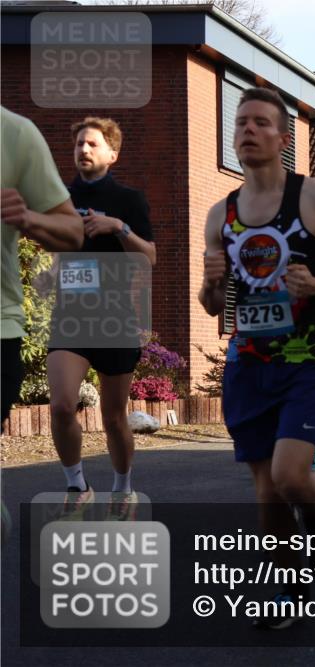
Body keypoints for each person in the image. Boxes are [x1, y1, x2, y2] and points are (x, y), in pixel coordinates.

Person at [199, 87, 315, 629]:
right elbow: (211, 305)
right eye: (240, 122)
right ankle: (291, 592)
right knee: (266, 489)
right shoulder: (219, 215)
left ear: (283, 136)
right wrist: (210, 284)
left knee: (291, 476)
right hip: (248, 362)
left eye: (260, 123)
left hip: (305, 356)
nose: (247, 130)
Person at [44, 117, 156, 521]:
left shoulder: (129, 199)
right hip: (69, 319)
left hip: (114, 321)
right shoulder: (57, 198)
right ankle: (76, 484)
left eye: (91, 144)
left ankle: (122, 487)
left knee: (113, 416)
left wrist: (118, 227)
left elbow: (150, 257)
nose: (83, 150)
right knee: (60, 405)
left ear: (112, 153)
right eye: (77, 144)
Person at [1, 107, 83, 543]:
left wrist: (27, 218)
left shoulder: (14, 134)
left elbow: (72, 232)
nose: (83, 151)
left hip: (1, 328)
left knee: (80, 407)